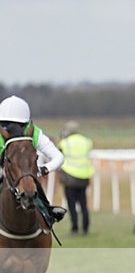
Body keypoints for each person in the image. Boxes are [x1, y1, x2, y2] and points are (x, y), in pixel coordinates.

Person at [0, 95, 66, 226]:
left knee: (32, 182)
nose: (11, 128)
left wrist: (42, 170)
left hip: (25, 172)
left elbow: (59, 157)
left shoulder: (35, 133)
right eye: (5, 125)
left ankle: (48, 212)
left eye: (19, 125)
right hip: (4, 170)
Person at [57, 121, 94, 236]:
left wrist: (62, 138)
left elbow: (58, 152)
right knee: (83, 205)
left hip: (70, 177)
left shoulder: (65, 142)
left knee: (72, 205)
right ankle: (86, 228)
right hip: (84, 177)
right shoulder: (86, 141)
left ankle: (74, 228)